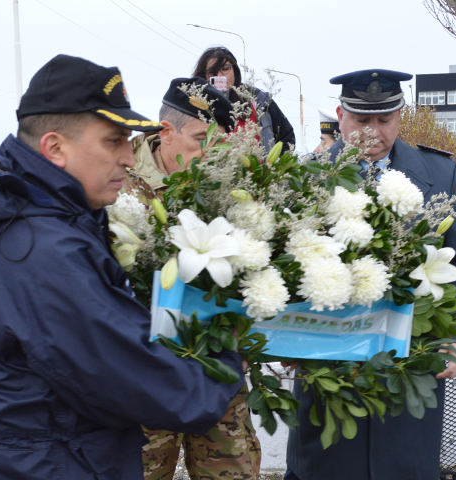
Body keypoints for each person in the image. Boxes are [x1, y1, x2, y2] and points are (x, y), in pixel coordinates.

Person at [0, 54, 244, 480]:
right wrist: (229, 350)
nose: (126, 157)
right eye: (112, 141)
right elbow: (159, 390)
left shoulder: (20, 214)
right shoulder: (41, 250)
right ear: (55, 148)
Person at [285, 69, 456, 480]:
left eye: (385, 119)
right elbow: (286, 263)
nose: (373, 131)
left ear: (400, 116)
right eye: (361, 120)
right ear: (340, 116)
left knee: (403, 466)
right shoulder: (305, 175)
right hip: (331, 362)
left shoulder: (439, 173)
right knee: (327, 466)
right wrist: (286, 333)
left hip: (410, 359)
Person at [128, 77, 262, 480]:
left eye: (218, 140)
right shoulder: (118, 177)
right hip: (140, 374)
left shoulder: (233, 182)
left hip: (218, 371)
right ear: (166, 133)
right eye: (201, 138)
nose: (210, 152)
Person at [192, 46, 295, 153]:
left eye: (225, 69)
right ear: (204, 76)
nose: (219, 76)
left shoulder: (259, 101)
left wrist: (272, 166)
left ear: (235, 71)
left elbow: (287, 138)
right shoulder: (194, 105)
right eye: (212, 72)